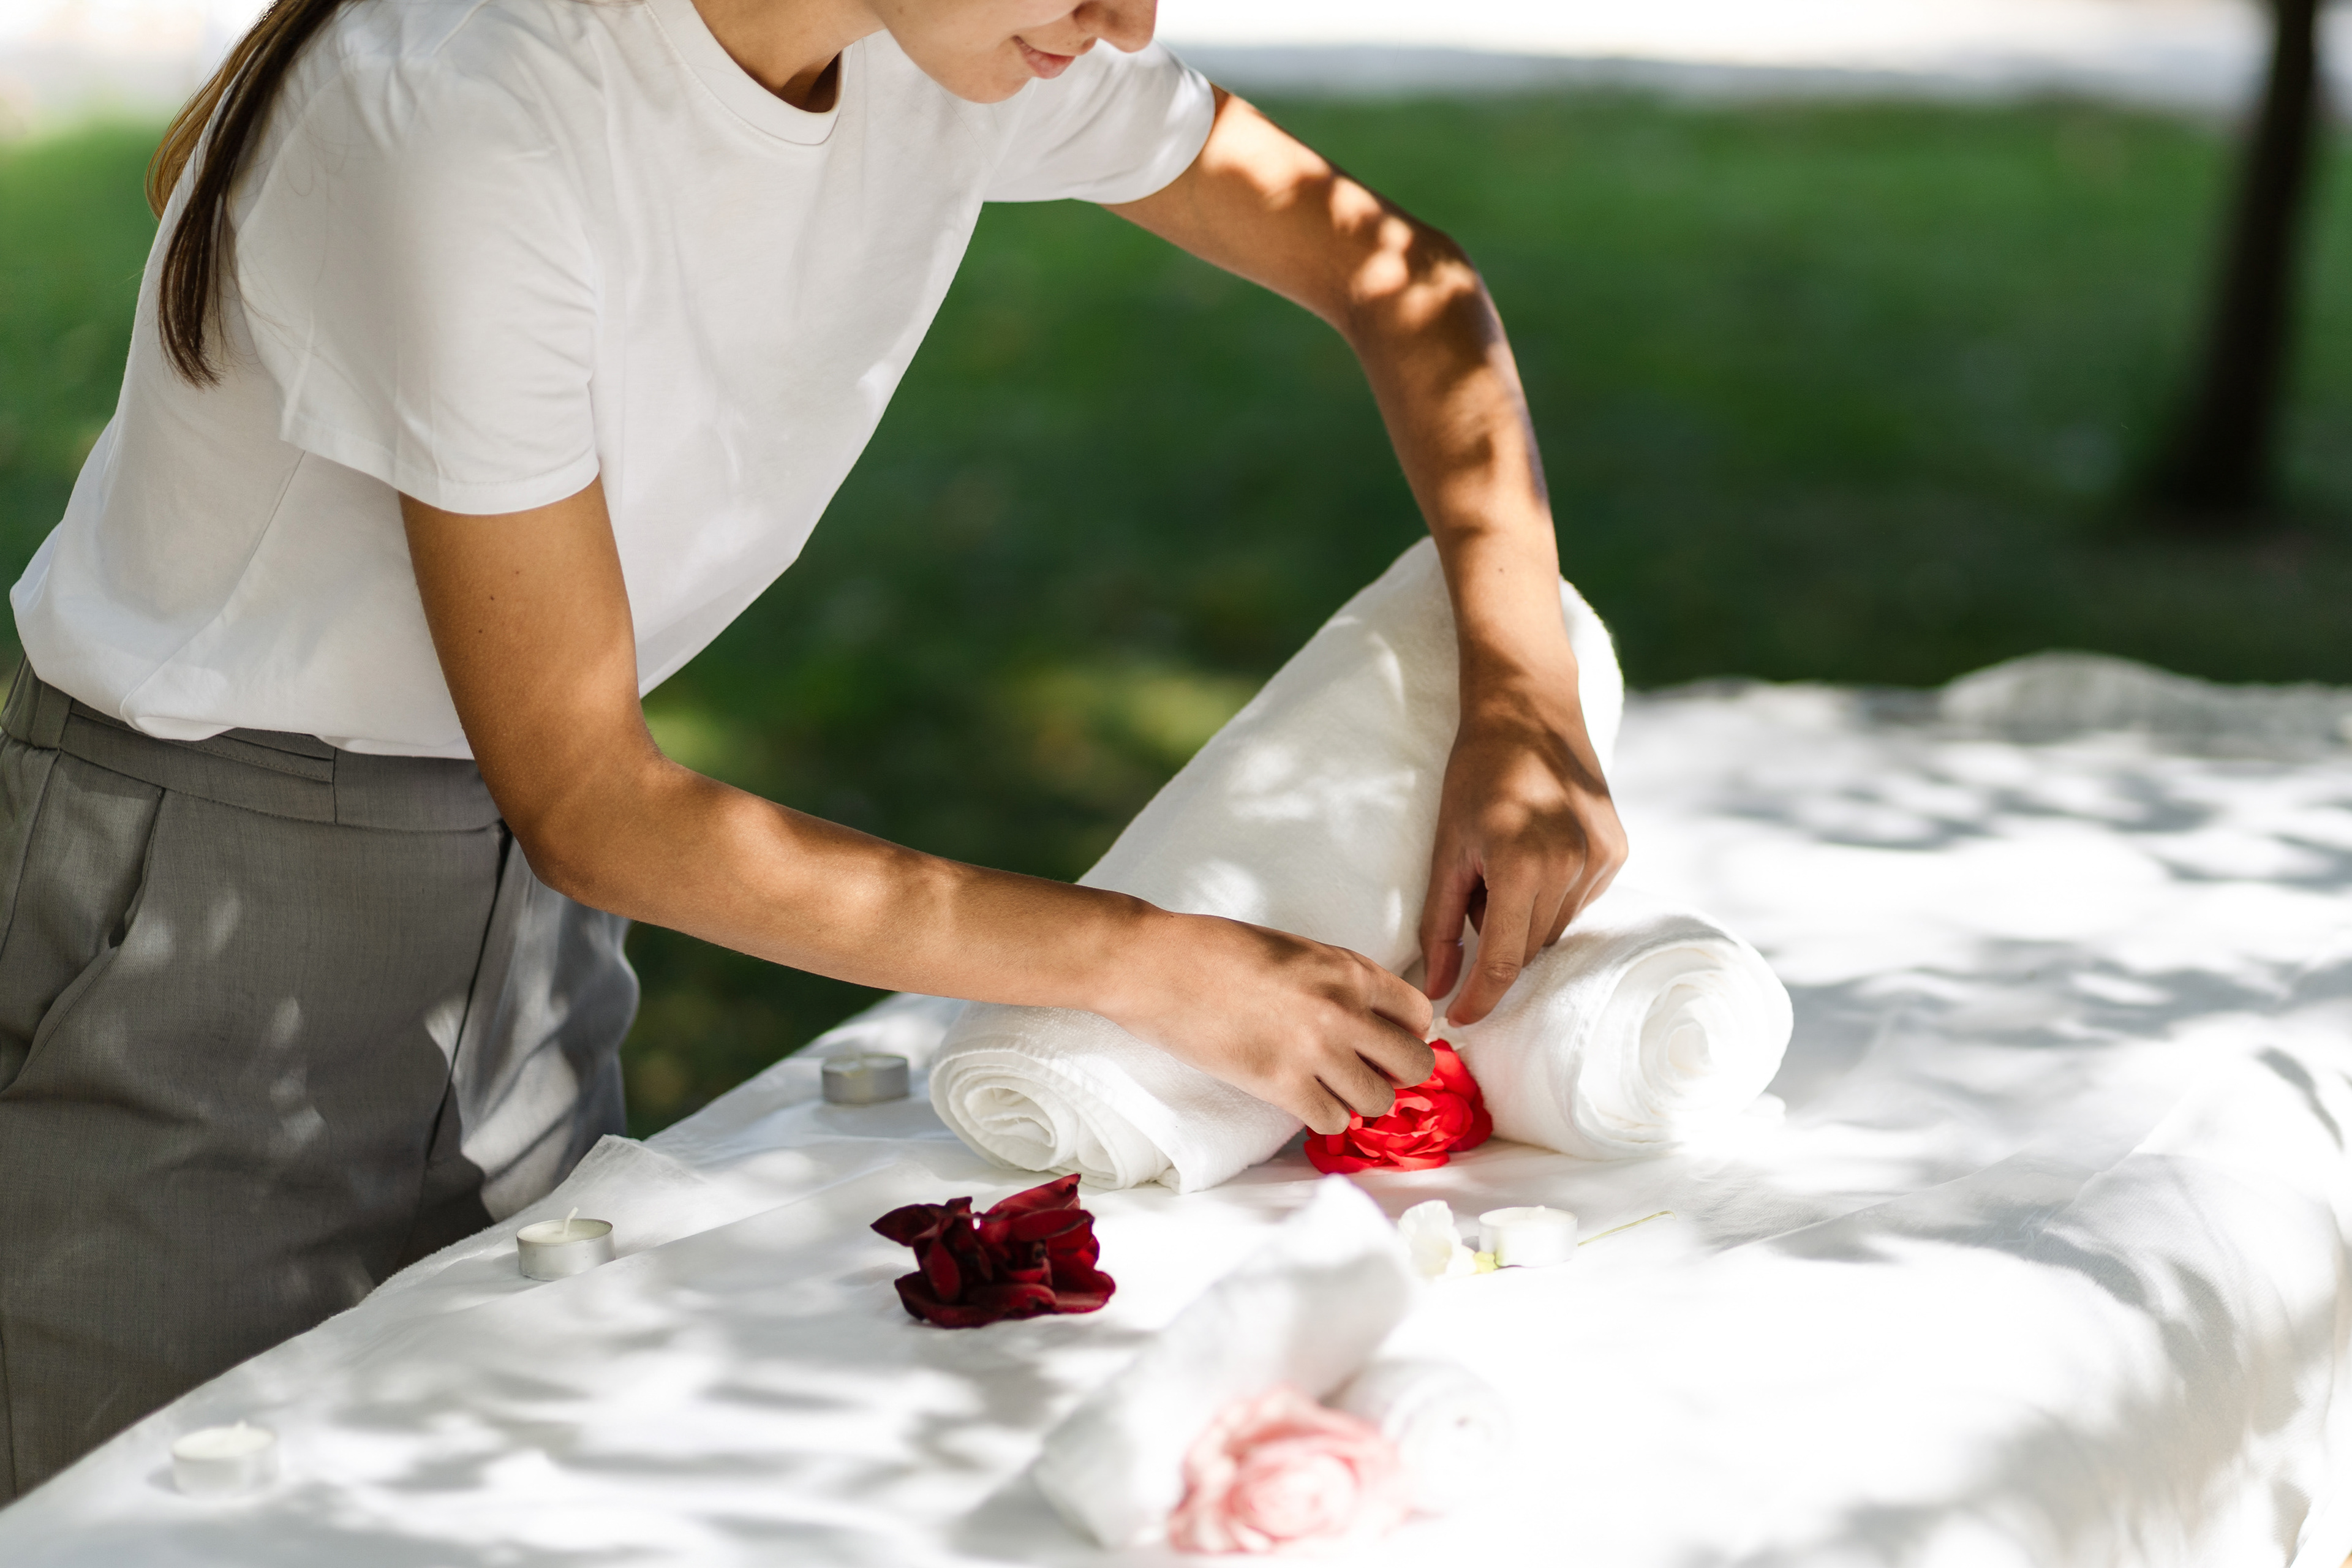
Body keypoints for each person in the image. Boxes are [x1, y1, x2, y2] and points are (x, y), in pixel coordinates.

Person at [0, 0, 1624, 1501]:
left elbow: (1399, 280)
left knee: (478, 1487)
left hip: (534, 929)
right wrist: (1158, 964)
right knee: (139, 1509)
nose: (1129, 21)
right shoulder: (466, 108)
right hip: (209, 919)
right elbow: (595, 805)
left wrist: (1524, 698)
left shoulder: (951, 39)